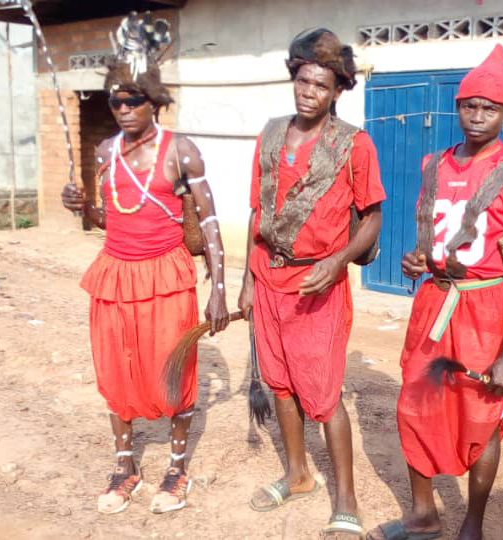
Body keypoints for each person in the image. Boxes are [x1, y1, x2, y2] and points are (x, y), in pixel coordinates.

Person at [367, 44, 503, 540]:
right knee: (415, 405)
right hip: (434, 302)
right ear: (458, 106)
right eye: (470, 104)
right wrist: (415, 260)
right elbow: (434, 239)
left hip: (486, 310)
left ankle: (473, 523)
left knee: (481, 412)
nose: (478, 116)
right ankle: (423, 515)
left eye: (490, 108)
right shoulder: (434, 164)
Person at [60, 14, 229, 516]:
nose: (123, 107)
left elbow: (212, 221)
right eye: (115, 99)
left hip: (166, 275)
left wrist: (219, 289)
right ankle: (125, 466)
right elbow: (106, 220)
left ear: (154, 101)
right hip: (114, 274)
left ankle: (177, 470)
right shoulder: (106, 151)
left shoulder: (181, 150)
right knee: (117, 371)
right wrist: (80, 207)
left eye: (133, 98)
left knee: (171, 374)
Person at [237, 28, 385, 539]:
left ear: (336, 91)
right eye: (302, 81)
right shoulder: (271, 133)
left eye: (320, 86)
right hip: (268, 277)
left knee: (322, 394)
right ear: (293, 78)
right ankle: (298, 475)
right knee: (280, 385)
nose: (308, 92)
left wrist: (340, 259)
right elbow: (258, 211)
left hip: (318, 286)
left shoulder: (354, 144)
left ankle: (346, 499)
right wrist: (246, 280)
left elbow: (372, 218)